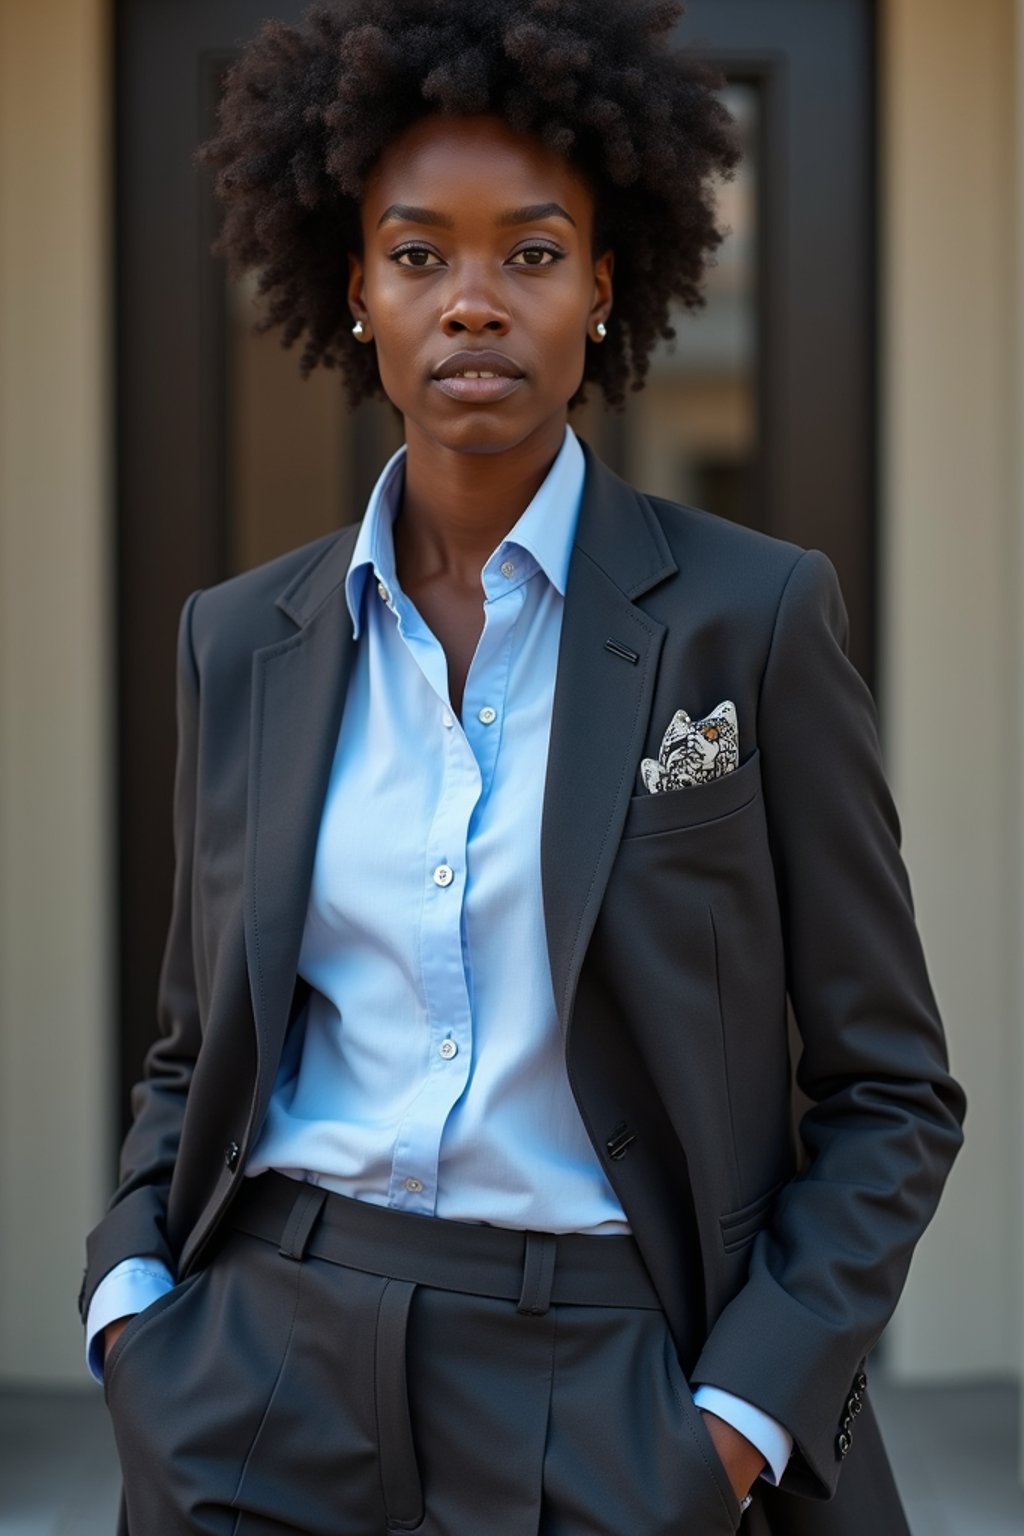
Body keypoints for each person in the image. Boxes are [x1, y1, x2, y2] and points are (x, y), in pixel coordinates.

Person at [78, 2, 966, 1532]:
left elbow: (892, 1091)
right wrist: (132, 1302)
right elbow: (192, 1044)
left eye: (532, 254)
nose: (473, 302)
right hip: (257, 1372)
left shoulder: (749, 620)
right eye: (419, 255)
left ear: (604, 288)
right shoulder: (242, 642)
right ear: (354, 290)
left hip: (611, 1383)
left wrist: (740, 1417)